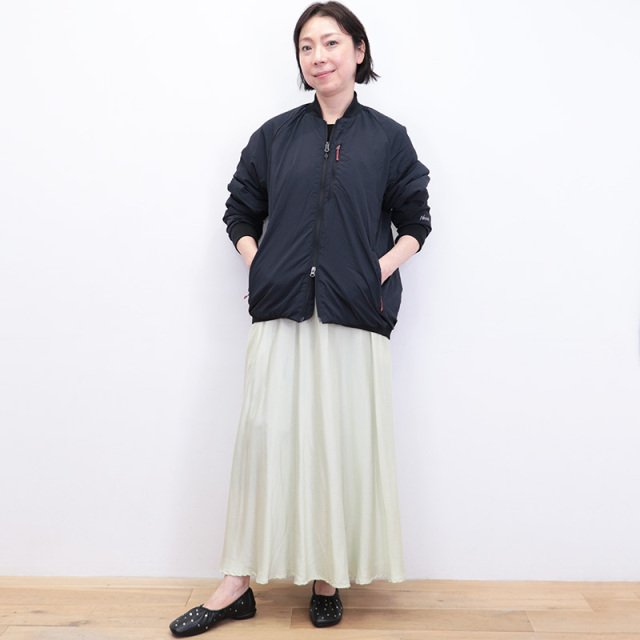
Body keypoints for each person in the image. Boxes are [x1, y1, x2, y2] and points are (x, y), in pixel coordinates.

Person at [169, 1, 430, 636]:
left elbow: (416, 220)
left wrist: (375, 270)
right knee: (266, 442)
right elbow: (240, 210)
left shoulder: (388, 138)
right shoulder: (274, 136)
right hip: (281, 308)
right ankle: (237, 583)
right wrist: (258, 262)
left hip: (352, 314)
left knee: (337, 445)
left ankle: (326, 577)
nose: (319, 56)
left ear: (359, 52)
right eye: (307, 46)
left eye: (331, 43)